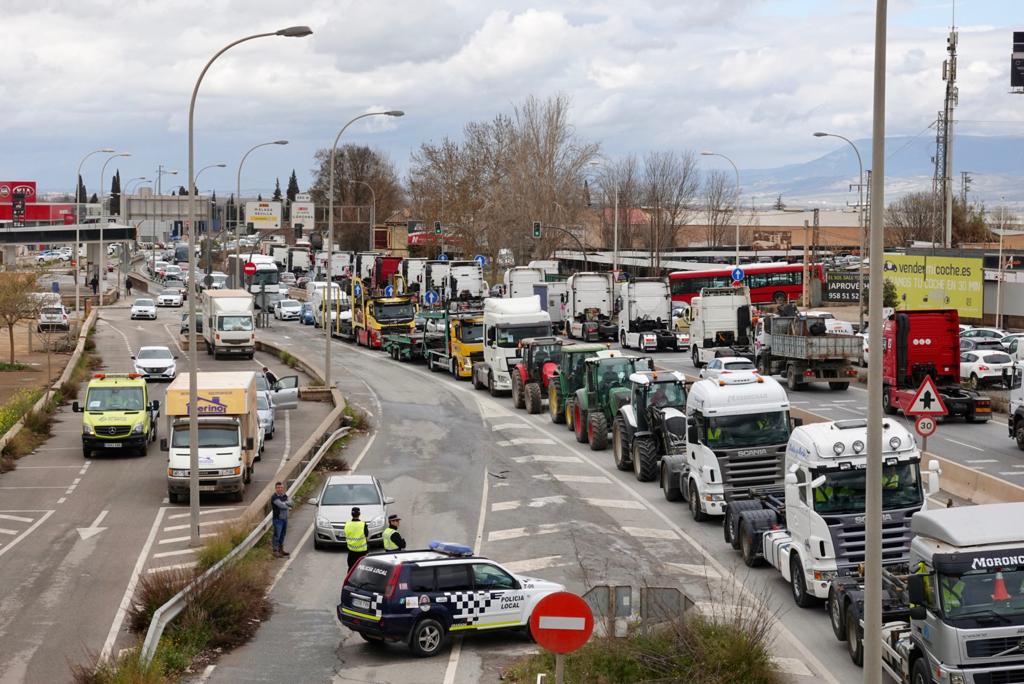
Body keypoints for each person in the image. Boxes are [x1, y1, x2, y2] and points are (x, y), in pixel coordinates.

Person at [271, 482, 292, 558]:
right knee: (277, 535)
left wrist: (285, 503)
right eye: (278, 487)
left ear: (283, 488)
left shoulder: (284, 495)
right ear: (276, 488)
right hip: (278, 519)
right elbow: (281, 506)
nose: (280, 489)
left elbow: (292, 503)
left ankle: (280, 550)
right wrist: (287, 504)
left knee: (282, 535)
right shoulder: (274, 497)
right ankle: (275, 551)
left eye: (281, 487)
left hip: (285, 519)